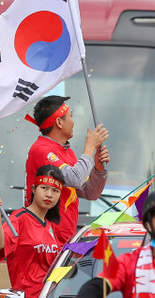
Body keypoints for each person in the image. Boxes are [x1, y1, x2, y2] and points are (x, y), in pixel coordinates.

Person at [24, 95, 110, 245]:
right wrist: (89, 148)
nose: (73, 121)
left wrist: (97, 167)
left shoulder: (67, 152)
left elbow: (90, 192)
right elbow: (74, 179)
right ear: (59, 122)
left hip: (65, 240)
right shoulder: (41, 149)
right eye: (70, 116)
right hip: (44, 241)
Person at [0, 164, 64, 298]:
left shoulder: (51, 225)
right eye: (44, 188)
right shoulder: (19, 218)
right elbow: (0, 244)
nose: (49, 194)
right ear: (34, 189)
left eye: (55, 191)